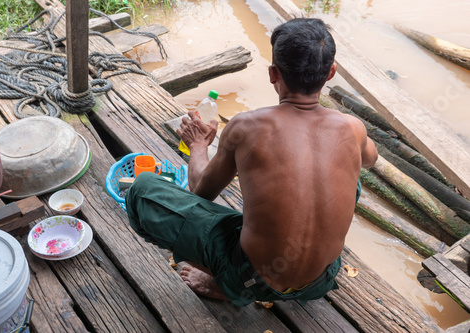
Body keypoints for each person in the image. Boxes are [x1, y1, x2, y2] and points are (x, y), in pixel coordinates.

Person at [126, 17, 378, 307]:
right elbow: (370, 160)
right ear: (330, 73)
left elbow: (200, 193)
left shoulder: (246, 126)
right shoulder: (353, 128)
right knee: (352, 179)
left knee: (143, 190)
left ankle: (224, 285)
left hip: (251, 279)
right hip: (321, 279)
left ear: (273, 74)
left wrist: (198, 146)